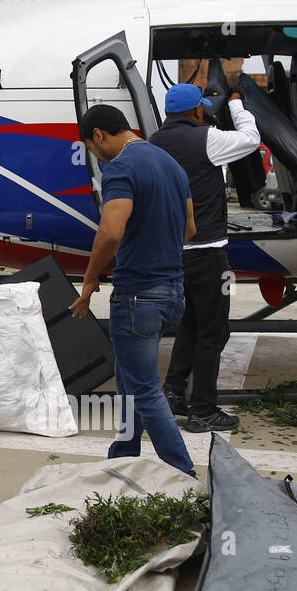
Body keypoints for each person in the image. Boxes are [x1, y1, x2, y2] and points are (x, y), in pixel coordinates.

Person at [70, 104, 197, 477]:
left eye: (93, 150)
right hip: (173, 290)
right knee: (128, 377)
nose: (96, 156)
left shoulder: (121, 166)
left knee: (143, 388)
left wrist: (90, 280)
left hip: (139, 293)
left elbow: (111, 230)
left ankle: (183, 472)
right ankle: (123, 453)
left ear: (98, 136)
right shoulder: (170, 163)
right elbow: (190, 229)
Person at [149, 79, 260, 433]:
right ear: (197, 110)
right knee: (214, 331)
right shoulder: (207, 138)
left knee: (191, 326)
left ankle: (174, 393)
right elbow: (251, 139)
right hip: (208, 254)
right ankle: (204, 409)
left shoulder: (154, 144)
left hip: (171, 255)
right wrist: (238, 106)